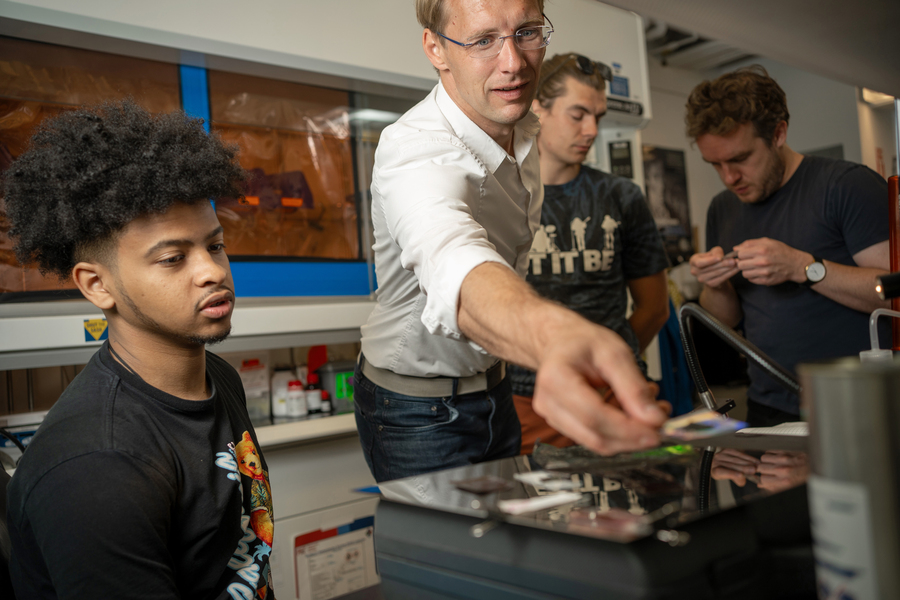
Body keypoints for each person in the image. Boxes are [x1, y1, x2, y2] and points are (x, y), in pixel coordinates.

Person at [354, 0, 669, 483]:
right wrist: (554, 339)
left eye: (527, 32)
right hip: (418, 409)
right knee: (453, 559)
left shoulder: (521, 127)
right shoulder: (414, 149)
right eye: (483, 40)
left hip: (496, 390)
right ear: (435, 48)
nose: (515, 63)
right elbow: (454, 258)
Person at [3, 101, 276, 599]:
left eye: (214, 246)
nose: (212, 271)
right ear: (97, 285)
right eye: (173, 258)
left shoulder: (217, 378)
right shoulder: (97, 465)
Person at [687, 66, 889, 426]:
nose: (729, 177)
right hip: (768, 404)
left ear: (778, 133)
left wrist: (802, 267)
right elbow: (727, 319)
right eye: (714, 164)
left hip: (858, 406)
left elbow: (893, 292)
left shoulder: (846, 186)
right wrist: (713, 283)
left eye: (739, 159)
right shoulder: (723, 207)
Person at [508, 53, 670, 453]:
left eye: (597, 115)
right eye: (578, 114)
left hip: (614, 390)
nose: (592, 129)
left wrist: (610, 359)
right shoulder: (503, 197)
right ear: (538, 110)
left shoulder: (622, 197)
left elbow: (655, 309)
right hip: (526, 399)